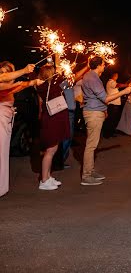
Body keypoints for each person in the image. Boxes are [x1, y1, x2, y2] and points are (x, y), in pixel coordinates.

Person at [81, 56, 131, 186]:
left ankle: (90, 171)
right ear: (98, 65)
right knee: (91, 145)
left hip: (94, 112)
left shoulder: (91, 77)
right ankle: (86, 176)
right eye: (103, 65)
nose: (104, 67)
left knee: (93, 144)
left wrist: (104, 110)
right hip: (93, 114)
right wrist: (125, 91)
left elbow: (98, 98)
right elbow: (105, 98)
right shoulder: (92, 78)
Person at [0, 61, 39, 197]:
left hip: (6, 119)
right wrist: (24, 70)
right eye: (4, 71)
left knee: (3, 153)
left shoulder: (7, 86)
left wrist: (34, 82)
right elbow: (4, 79)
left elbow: (18, 86)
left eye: (9, 71)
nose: (6, 74)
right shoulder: (1, 81)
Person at [36, 63, 71, 191]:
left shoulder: (42, 85)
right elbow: (72, 80)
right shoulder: (54, 85)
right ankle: (44, 181)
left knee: (51, 149)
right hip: (53, 119)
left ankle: (47, 176)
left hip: (49, 118)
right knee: (50, 151)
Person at [103, 72, 128, 138]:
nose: (117, 77)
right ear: (114, 76)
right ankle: (107, 134)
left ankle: (110, 133)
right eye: (116, 76)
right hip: (112, 104)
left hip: (114, 104)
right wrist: (127, 85)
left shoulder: (112, 82)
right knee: (110, 119)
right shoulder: (111, 82)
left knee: (113, 119)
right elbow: (118, 85)